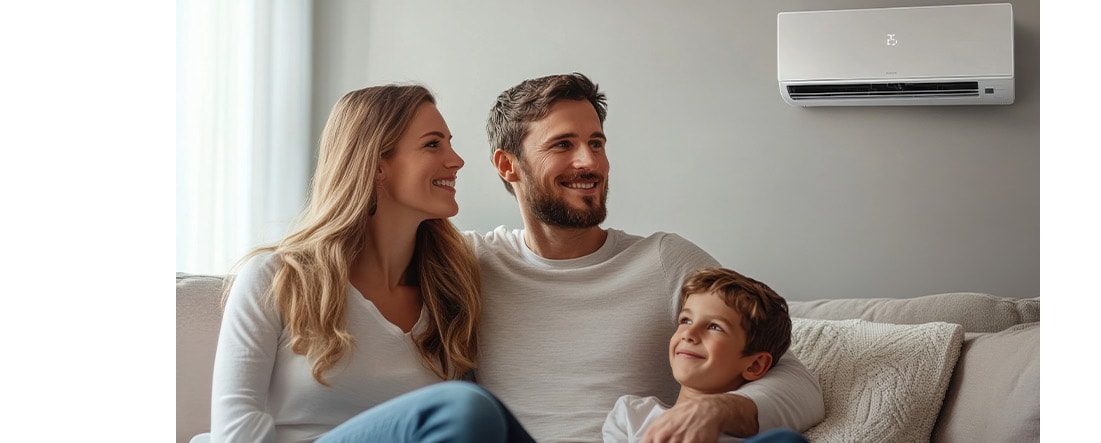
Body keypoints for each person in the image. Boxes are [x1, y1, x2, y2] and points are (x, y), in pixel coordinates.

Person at [464, 72, 825, 442]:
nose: (590, 162)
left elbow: (798, 383)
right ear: (508, 166)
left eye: (596, 143)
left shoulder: (663, 261)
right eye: (562, 145)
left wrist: (719, 409)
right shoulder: (469, 262)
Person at [209, 84, 531, 443]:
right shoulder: (276, 278)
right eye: (432, 144)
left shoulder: (450, 289)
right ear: (377, 165)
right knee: (465, 409)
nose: (456, 160)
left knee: (483, 417)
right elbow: (235, 432)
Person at [602, 267, 805, 443]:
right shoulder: (632, 414)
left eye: (715, 326)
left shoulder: (754, 431)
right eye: (685, 320)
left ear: (755, 365)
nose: (689, 334)